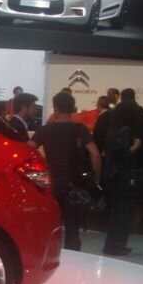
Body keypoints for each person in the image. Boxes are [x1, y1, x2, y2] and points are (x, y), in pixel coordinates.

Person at [29, 91, 101, 252]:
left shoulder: (45, 130)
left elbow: (28, 150)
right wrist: (96, 178)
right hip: (74, 184)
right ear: (72, 108)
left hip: (51, 184)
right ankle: (73, 257)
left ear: (56, 108)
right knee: (72, 227)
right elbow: (95, 154)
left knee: (49, 224)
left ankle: (49, 256)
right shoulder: (80, 130)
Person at [102, 89, 143, 256]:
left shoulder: (112, 129)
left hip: (112, 174)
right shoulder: (126, 131)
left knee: (117, 211)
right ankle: (116, 245)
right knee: (123, 212)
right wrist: (136, 146)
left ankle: (114, 243)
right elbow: (124, 154)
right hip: (122, 176)